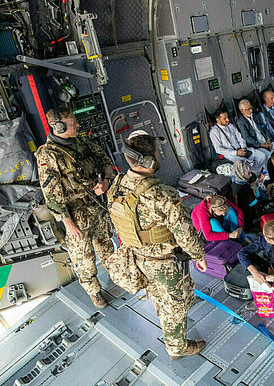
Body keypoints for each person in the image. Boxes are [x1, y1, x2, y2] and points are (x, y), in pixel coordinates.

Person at [106, 131, 207, 359]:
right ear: (149, 161)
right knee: (175, 303)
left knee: (160, 296)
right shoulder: (161, 194)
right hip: (164, 263)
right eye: (157, 153)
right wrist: (198, 256)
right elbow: (185, 233)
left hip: (137, 257)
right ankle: (177, 347)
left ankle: (167, 321)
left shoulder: (118, 184)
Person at [36, 106, 115, 309]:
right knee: (85, 258)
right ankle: (95, 293)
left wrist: (105, 181)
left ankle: (118, 276)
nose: (78, 125)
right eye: (73, 123)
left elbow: (104, 159)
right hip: (75, 215)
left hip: (95, 206)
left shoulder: (80, 142)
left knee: (106, 245)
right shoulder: (48, 155)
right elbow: (51, 193)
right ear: (59, 127)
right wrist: (67, 221)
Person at [209, 109, 268, 173]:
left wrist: (243, 147)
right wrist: (236, 153)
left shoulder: (231, 126)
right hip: (230, 155)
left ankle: (256, 173)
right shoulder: (214, 132)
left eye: (227, 117)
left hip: (241, 150)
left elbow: (241, 139)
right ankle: (253, 175)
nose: (228, 120)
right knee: (246, 165)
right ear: (218, 120)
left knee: (261, 156)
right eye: (224, 118)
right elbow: (219, 149)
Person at [232, 160, 268, 225]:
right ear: (242, 173)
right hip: (246, 216)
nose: (251, 175)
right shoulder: (245, 187)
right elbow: (254, 204)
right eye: (248, 173)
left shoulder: (234, 183)